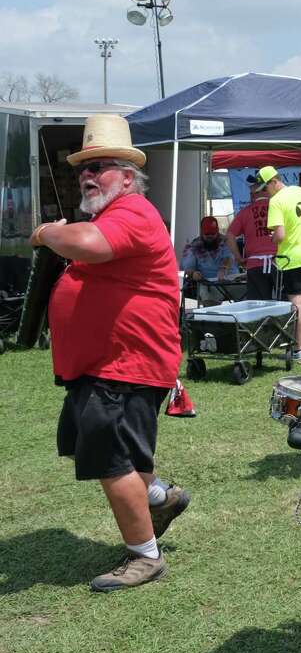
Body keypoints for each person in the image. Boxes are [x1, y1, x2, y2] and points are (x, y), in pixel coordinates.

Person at [34, 113, 192, 592]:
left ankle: (145, 557)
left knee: (111, 460)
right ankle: (161, 497)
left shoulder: (132, 212)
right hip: (106, 365)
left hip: (127, 365)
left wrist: (44, 233)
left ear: (127, 176)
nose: (86, 174)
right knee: (104, 450)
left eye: (99, 166)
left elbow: (84, 243)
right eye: (83, 167)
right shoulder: (113, 214)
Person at [260, 165, 301, 359]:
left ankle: (297, 350)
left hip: (291, 259)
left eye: (264, 188)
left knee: (296, 304)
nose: (264, 192)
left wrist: (272, 237)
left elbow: (279, 235)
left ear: (273, 182)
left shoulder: (276, 201)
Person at [226, 175, 278, 299]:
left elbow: (230, 235)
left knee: (258, 306)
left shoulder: (245, 212)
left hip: (255, 264)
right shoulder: (278, 208)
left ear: (254, 192)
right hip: (279, 261)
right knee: (285, 305)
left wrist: (239, 258)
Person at [181, 216, 237, 305]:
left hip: (231, 281)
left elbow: (229, 257)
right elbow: (189, 269)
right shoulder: (193, 246)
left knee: (247, 295)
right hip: (209, 285)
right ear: (201, 232)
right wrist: (193, 274)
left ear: (217, 231)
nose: (210, 236)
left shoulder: (226, 241)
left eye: (213, 234)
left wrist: (224, 268)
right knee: (209, 299)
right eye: (207, 234)